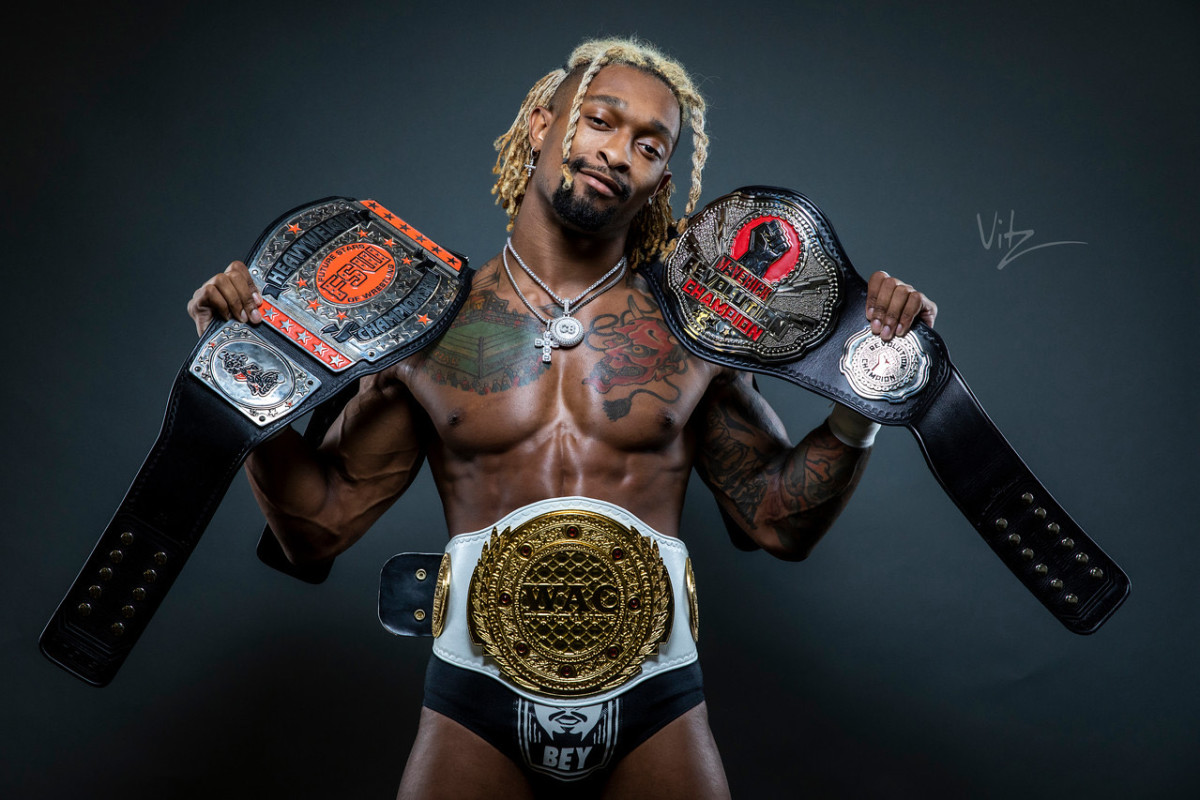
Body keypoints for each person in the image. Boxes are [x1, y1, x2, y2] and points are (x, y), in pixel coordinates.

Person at [187, 37, 936, 800]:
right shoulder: (428, 324)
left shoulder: (691, 335)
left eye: (649, 145)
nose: (618, 153)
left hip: (657, 698)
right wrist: (249, 379)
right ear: (542, 125)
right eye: (601, 122)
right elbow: (316, 526)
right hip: (474, 699)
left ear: (663, 180)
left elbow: (779, 521)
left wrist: (862, 400)